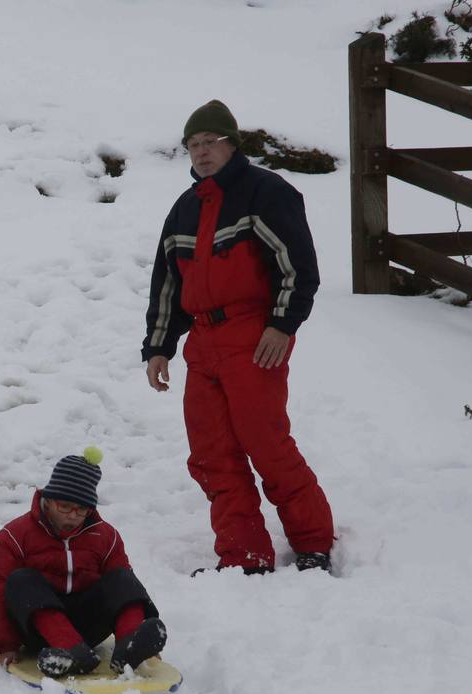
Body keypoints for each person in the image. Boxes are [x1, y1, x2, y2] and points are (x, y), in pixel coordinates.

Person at [142, 99, 335, 574]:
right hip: (202, 345)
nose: (202, 152)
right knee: (211, 454)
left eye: (211, 142)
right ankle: (244, 556)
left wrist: (282, 324)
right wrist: (159, 347)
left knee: (265, 442)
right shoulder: (184, 210)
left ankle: (313, 542)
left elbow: (298, 267)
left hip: (253, 336)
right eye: (193, 145)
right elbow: (168, 282)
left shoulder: (266, 193)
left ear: (232, 144)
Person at [0, 448, 167, 678]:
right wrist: (5, 644)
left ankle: (130, 645)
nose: (72, 516)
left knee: (122, 577)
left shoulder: (105, 536)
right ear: (48, 501)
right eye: (64, 506)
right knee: (21, 580)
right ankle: (69, 650)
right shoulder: (16, 535)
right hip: (38, 630)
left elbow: (124, 591)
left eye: (81, 510)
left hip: (88, 626)